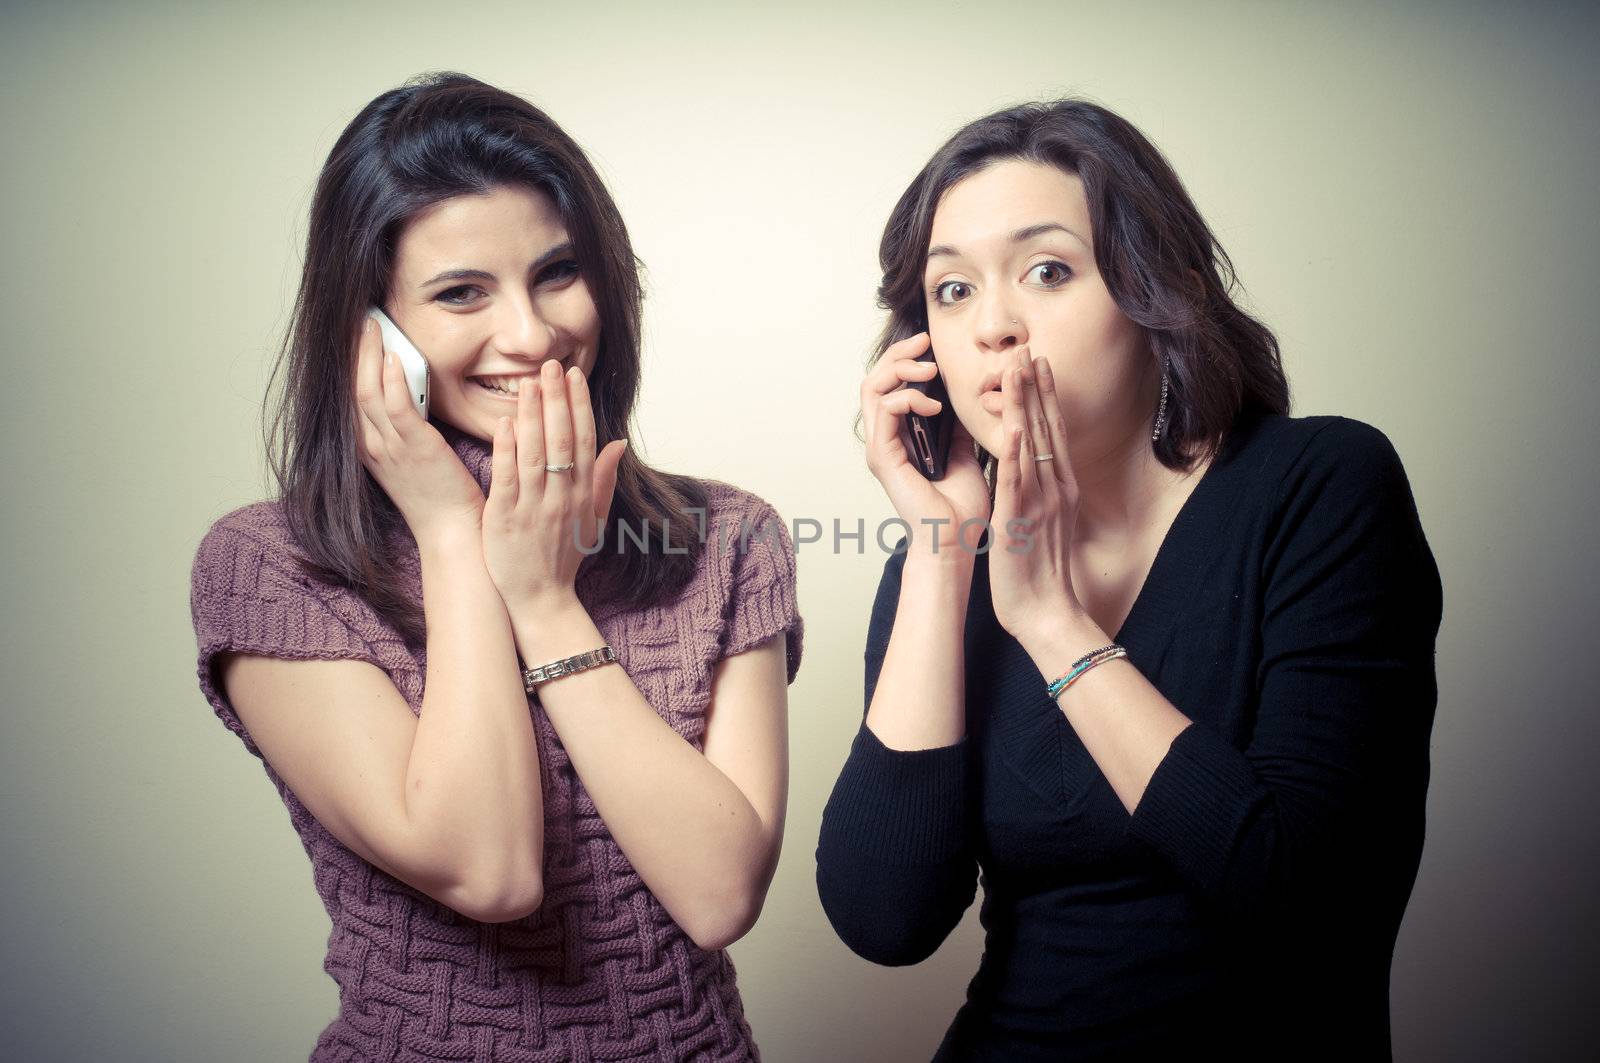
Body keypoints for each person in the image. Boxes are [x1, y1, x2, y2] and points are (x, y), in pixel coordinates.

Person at [189, 72, 802, 1062]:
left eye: (557, 273)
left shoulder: (729, 535)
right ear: (367, 332)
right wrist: (452, 538)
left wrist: (544, 596)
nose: (531, 333)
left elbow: (718, 892)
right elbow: (488, 869)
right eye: (462, 292)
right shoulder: (271, 567)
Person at [815, 99, 1442, 1061]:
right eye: (951, 292)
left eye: (1048, 271)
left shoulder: (1320, 486)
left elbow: (1310, 901)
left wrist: (1055, 624)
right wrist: (944, 557)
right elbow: (883, 919)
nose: (994, 327)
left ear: (1162, 292)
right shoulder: (938, 561)